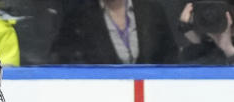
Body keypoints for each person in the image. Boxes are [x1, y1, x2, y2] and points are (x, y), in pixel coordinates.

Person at [50, 0, 178, 64]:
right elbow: (61, 59)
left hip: (149, 97)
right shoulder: (78, 18)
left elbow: (170, 55)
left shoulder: (152, 10)